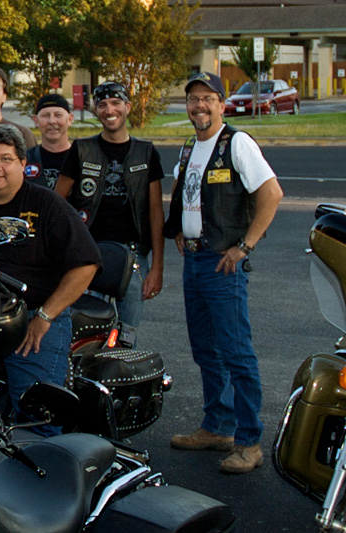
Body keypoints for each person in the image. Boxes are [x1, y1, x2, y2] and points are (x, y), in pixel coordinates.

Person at [164, 72, 283, 474]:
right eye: (193, 99)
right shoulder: (189, 147)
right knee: (205, 350)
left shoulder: (237, 143)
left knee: (236, 353)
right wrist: (180, 228)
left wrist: (245, 246)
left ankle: (249, 441)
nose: (199, 105)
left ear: (221, 103)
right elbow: (187, 192)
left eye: (207, 98)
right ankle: (217, 427)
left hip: (222, 264)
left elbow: (272, 194)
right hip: (194, 261)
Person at [0, 124, 101, 435]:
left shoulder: (47, 205)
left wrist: (45, 316)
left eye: (6, 159)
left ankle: (43, 459)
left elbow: (86, 264)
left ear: (22, 163)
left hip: (31, 319)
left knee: (36, 414)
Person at [55, 81, 165, 346]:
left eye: (116, 103)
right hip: (89, 253)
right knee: (86, 333)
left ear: (127, 107)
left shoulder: (146, 152)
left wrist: (158, 267)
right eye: (102, 105)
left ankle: (120, 371)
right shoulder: (81, 150)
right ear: (96, 110)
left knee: (127, 336)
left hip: (133, 256)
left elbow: (155, 212)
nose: (109, 110)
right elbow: (57, 202)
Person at [25, 94, 74, 189]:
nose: (52, 121)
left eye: (58, 115)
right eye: (45, 115)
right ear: (36, 120)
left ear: (70, 119)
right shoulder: (25, 159)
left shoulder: (81, 159)